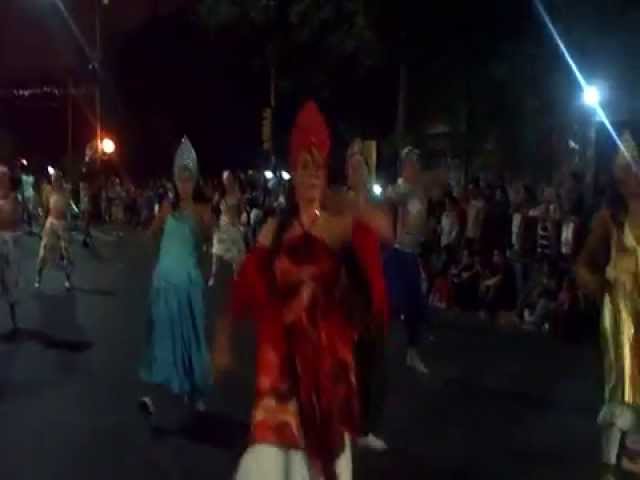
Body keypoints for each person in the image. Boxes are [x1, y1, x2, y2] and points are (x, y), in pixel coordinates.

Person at [215, 102, 391, 480]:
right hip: (281, 373)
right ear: (293, 174)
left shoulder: (340, 226)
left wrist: (353, 204)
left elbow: (383, 233)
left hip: (328, 375)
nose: (311, 177)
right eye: (304, 168)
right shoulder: (273, 232)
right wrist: (224, 337)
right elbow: (242, 290)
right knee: (266, 465)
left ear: (325, 175)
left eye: (317, 169)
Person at [577, 131, 640, 473]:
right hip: (620, 314)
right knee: (622, 381)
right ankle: (608, 464)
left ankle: (634, 454)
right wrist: (601, 285)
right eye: (628, 169)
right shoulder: (609, 219)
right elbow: (584, 265)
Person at [139, 137, 213, 419]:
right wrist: (162, 259)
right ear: (175, 181)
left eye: (189, 179)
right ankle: (156, 396)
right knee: (162, 339)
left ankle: (195, 394)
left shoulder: (203, 212)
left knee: (190, 340)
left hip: (187, 285)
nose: (184, 184)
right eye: (180, 179)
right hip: (164, 283)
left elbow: (206, 242)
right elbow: (151, 234)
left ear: (194, 181)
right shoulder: (167, 209)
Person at [343, 138, 391, 452]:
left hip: (374, 292)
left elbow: (384, 243)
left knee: (373, 364)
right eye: (353, 166)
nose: (358, 171)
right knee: (347, 364)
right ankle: (344, 425)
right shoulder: (340, 205)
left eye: (362, 166)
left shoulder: (375, 206)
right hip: (349, 293)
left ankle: (364, 428)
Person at [385, 146, 445, 375]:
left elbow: (437, 191)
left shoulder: (419, 190)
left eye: (417, 162)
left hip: (412, 254)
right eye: (411, 162)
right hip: (399, 254)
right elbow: (391, 195)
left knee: (414, 304)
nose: (415, 166)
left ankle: (412, 350)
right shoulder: (403, 188)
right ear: (404, 166)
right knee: (395, 301)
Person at [35, 170, 73, 290]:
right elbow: (45, 207)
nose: (55, 181)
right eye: (53, 179)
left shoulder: (66, 191)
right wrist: (42, 222)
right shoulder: (48, 191)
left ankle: (68, 280)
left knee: (66, 252)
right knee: (44, 250)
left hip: (62, 223)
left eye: (57, 179)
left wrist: (69, 222)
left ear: (61, 180)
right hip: (51, 221)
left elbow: (68, 208)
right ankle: (38, 277)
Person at [208, 170, 246, 287]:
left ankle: (237, 277)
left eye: (229, 178)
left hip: (235, 226)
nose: (227, 181)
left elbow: (242, 210)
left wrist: (242, 221)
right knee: (216, 253)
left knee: (237, 255)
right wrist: (214, 225)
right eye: (225, 179)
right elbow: (213, 210)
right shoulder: (220, 194)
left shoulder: (238, 193)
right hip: (222, 226)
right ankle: (213, 276)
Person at [0, 165, 21, 334]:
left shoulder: (14, 198)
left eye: (5, 176)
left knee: (10, 281)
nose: (3, 179)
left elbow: (16, 220)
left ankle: (14, 321)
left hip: (8, 241)